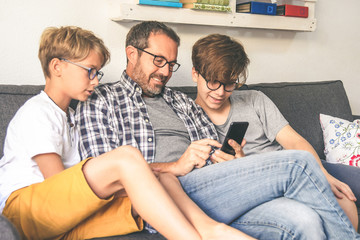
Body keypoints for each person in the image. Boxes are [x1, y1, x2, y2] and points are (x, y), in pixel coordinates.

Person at [76, 21, 360, 239]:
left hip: (213, 188)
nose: (165, 72)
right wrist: (176, 165)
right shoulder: (101, 101)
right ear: (132, 54)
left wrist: (231, 163)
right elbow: (107, 176)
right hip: (166, 197)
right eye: (158, 60)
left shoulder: (180, 101)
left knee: (303, 220)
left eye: (171, 64)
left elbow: (212, 146)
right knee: (298, 163)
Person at [0, 26, 253, 240]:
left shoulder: (69, 116)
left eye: (97, 73)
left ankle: (210, 231)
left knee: (163, 183)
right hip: (25, 213)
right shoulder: (38, 112)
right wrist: (156, 171)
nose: (96, 80)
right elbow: (61, 186)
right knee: (127, 158)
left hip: (60, 216)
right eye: (89, 71)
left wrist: (158, 176)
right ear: (57, 67)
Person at [191, 33, 359, 229]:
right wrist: (238, 165)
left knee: (346, 191)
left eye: (229, 84)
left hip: (302, 165)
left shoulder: (254, 99)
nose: (220, 92)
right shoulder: (191, 118)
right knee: (341, 201)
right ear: (195, 74)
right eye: (213, 82)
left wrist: (323, 175)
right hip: (268, 181)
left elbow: (294, 142)